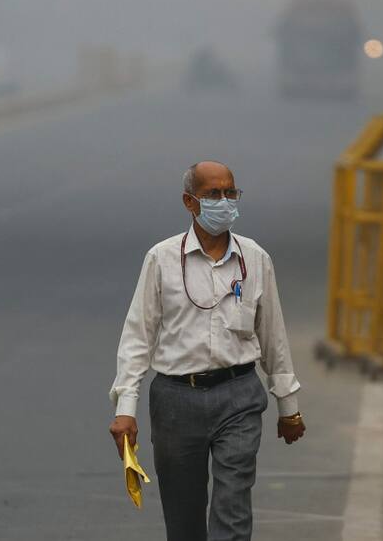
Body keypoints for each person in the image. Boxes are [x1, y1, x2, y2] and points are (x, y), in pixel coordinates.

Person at [108, 160, 305, 541]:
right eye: (213, 194)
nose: (224, 201)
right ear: (189, 202)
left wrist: (289, 408)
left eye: (230, 193)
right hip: (176, 400)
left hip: (239, 397)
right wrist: (125, 410)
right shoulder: (162, 259)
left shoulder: (256, 259)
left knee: (232, 509)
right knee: (184, 521)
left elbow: (273, 336)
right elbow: (138, 336)